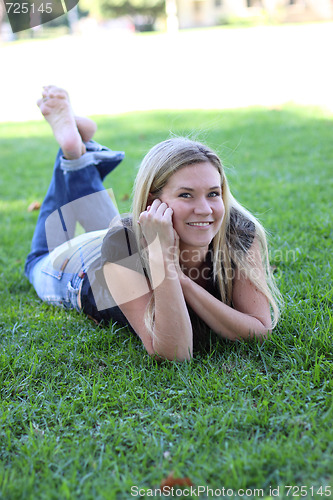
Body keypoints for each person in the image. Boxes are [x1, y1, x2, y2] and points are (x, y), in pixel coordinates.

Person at [25, 86, 282, 362]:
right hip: (80, 269)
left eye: (213, 193)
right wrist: (162, 258)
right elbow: (174, 353)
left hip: (126, 237)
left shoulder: (237, 231)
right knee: (37, 259)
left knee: (116, 232)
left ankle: (74, 152)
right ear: (152, 203)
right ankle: (71, 153)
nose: (205, 209)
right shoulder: (122, 242)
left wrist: (181, 281)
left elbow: (259, 330)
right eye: (186, 194)